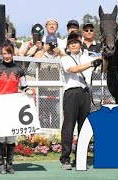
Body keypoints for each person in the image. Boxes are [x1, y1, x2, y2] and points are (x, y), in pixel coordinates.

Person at [0, 41, 34, 174]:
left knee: (11, 137)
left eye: (9, 53)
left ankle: (9, 164)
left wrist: (28, 91)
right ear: (1, 54)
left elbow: (24, 86)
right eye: (4, 53)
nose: (7, 56)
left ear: (13, 53)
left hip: (13, 107)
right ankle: (0, 164)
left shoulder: (19, 70)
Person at [59, 31, 103, 170]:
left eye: (76, 43)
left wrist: (104, 58)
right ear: (68, 46)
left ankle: (80, 157)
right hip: (71, 93)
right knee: (69, 126)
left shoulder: (86, 57)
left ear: (80, 44)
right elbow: (72, 69)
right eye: (71, 43)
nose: (73, 45)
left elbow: (100, 69)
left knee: (84, 127)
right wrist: (91, 63)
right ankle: (65, 158)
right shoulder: (65, 58)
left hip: (85, 93)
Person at [35, 35, 63, 128]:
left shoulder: (60, 55)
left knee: (57, 113)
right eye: (49, 43)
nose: (51, 45)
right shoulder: (41, 54)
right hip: (43, 88)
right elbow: (34, 60)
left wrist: (60, 53)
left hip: (56, 89)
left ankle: (56, 133)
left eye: (53, 44)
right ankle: (44, 132)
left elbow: (68, 60)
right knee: (44, 114)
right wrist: (43, 49)